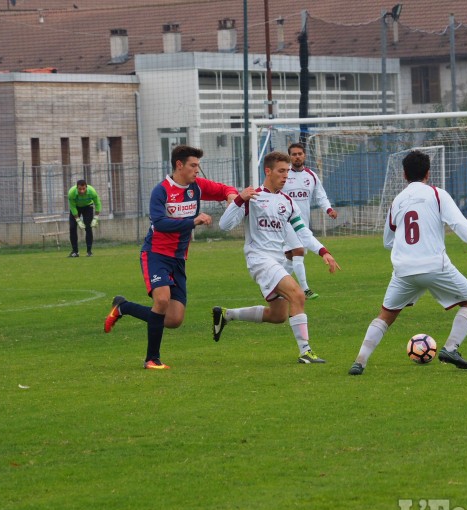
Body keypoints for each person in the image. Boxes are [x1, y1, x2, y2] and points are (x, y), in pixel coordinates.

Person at [348, 150, 467, 376]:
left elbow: (388, 240)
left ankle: (359, 362)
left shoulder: (397, 201)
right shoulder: (438, 195)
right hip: (434, 266)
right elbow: (459, 224)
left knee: (386, 315)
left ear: (403, 174)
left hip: (403, 270)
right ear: (428, 173)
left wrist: (407, 250)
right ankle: (450, 349)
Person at [104, 145, 238, 370]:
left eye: (198, 166)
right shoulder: (162, 191)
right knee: (162, 300)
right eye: (193, 165)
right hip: (155, 254)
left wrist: (231, 195)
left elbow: (224, 189)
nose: (197, 170)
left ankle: (123, 307)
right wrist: (192, 221)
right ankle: (151, 359)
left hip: (178, 259)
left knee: (174, 320)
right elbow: (160, 223)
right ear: (179, 165)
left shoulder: (197, 187)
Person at [212, 151, 341, 364]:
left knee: (278, 315)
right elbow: (224, 225)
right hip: (259, 260)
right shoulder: (252, 197)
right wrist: (239, 200)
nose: (286, 176)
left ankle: (226, 315)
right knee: (298, 295)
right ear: (268, 171)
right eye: (281, 171)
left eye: (288, 172)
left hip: (277, 260)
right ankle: (305, 352)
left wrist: (323, 251)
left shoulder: (287, 202)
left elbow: (303, 232)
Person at [281, 142, 338, 300]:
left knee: (291, 257)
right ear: (290, 157)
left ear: (304, 155)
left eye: (300, 153)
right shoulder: (284, 175)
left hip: (302, 223)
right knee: (298, 251)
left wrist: (329, 209)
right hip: (285, 222)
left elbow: (321, 196)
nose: (297, 157)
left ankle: (274, 286)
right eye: (294, 154)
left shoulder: (311, 176)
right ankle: (305, 289)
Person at [68, 179, 102, 257]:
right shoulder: (71, 193)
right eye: (80, 189)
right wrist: (77, 220)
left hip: (88, 207)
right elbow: (72, 206)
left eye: (84, 189)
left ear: (86, 187)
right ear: (77, 188)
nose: (82, 191)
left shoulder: (92, 191)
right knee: (72, 227)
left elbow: (98, 203)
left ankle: (89, 252)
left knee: (88, 227)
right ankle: (75, 252)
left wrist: (96, 218)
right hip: (76, 207)